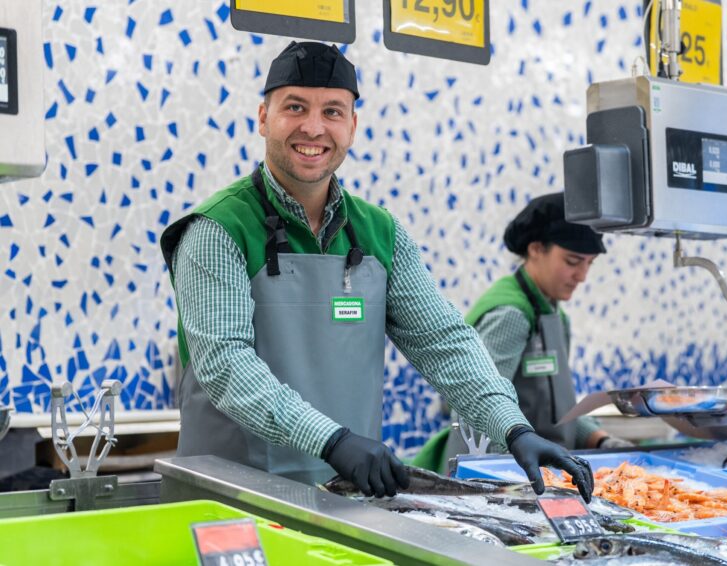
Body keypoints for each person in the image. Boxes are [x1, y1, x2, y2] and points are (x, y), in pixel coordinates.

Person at [160, 41, 593, 501]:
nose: (313, 127)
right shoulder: (216, 229)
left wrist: (513, 428)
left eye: (332, 111)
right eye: (294, 107)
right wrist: (332, 441)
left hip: (344, 501)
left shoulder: (380, 232)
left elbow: (443, 341)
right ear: (263, 117)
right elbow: (226, 366)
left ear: (352, 126)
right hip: (232, 504)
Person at [439, 193, 631, 469]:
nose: (582, 276)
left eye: (589, 264)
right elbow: (477, 409)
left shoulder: (554, 315)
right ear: (536, 249)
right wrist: (497, 480)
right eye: (572, 262)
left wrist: (600, 440)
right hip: (506, 474)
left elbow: (558, 412)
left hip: (541, 472)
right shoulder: (511, 315)